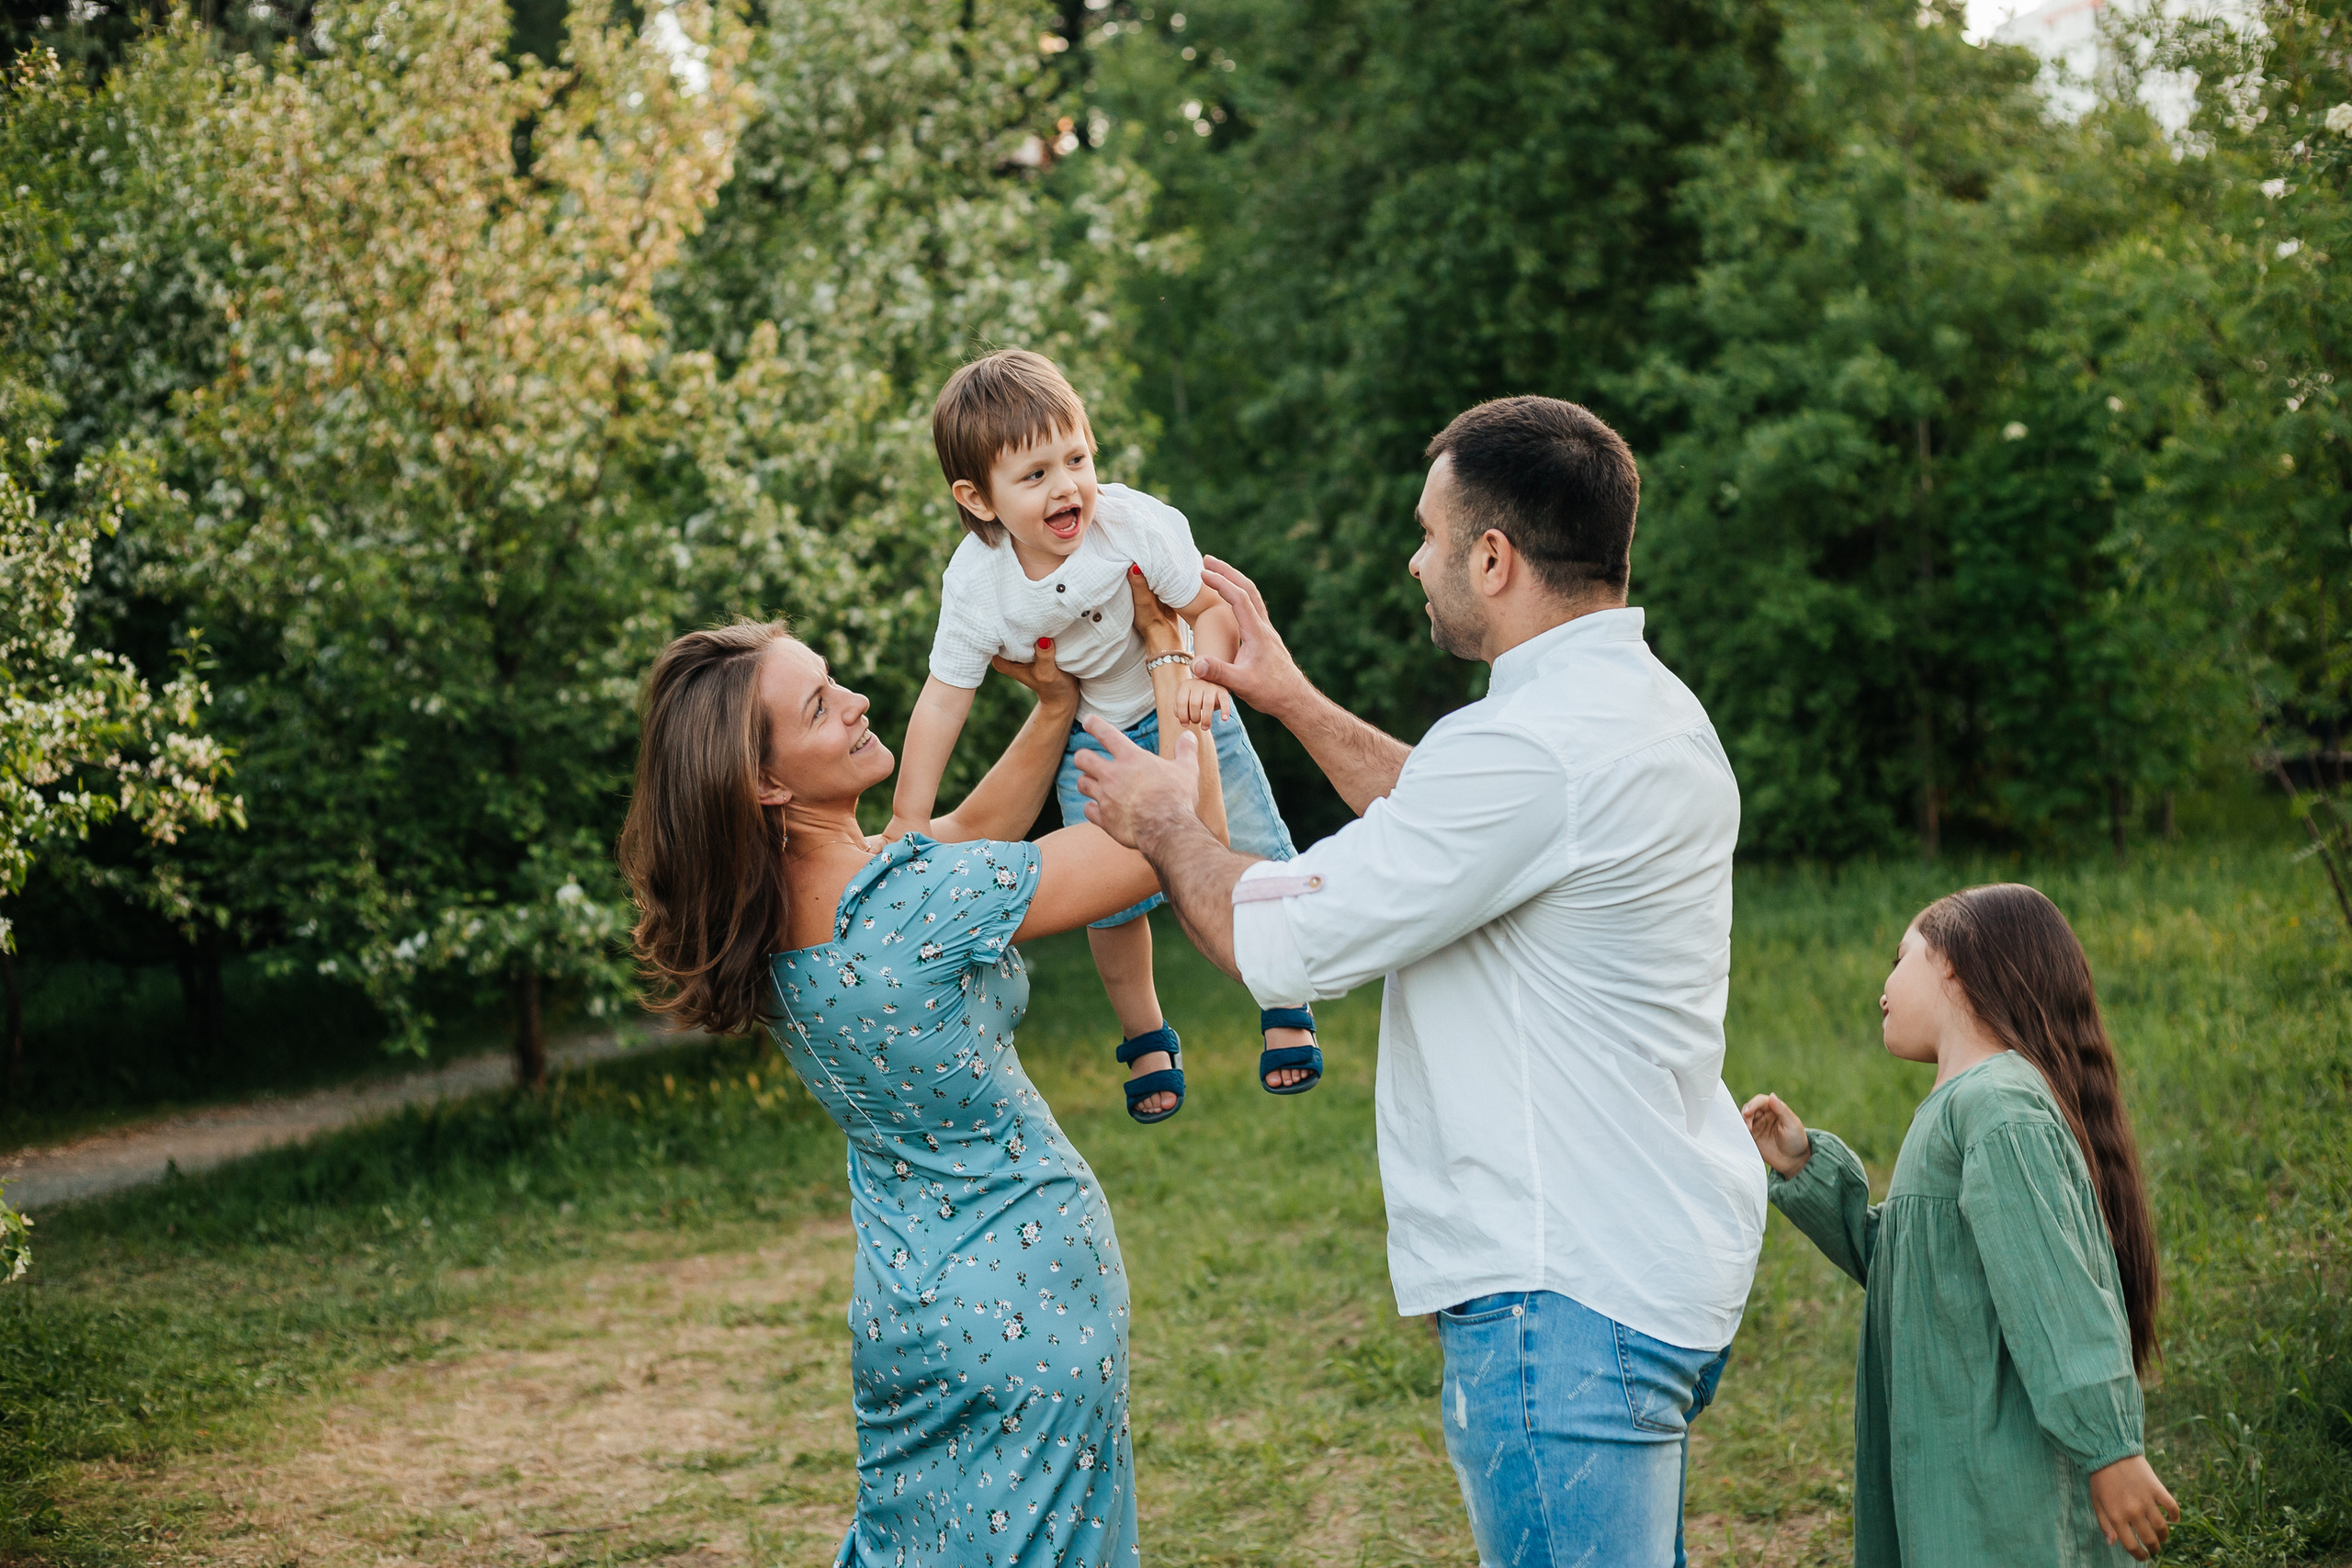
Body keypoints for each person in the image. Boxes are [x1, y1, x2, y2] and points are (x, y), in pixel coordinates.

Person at [1071, 396, 1766, 1567]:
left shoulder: (1527, 752)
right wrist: (1285, 695)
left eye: (1428, 533)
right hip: (1647, 1264)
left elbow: (1282, 944)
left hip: (1564, 1300)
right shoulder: (1636, 710)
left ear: (1492, 558)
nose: (1413, 559)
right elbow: (1446, 819)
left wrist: (1162, 825)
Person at [616, 580, 1211, 1568]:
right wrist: (1168, 662)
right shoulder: (919, 899)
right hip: (1030, 1305)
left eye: (831, 681)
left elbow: (972, 825)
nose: (853, 700)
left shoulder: (776, 921)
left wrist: (1054, 707)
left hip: (908, 1307)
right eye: (818, 706)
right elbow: (1170, 845)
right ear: (766, 784)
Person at [888, 348, 1320, 1123]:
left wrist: (1199, 677)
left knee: (1246, 850)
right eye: (1034, 475)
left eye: (1077, 457)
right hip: (1092, 736)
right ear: (977, 498)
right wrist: (907, 818)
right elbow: (943, 701)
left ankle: (1282, 994)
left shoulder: (1130, 524)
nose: (1067, 486)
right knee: (1109, 909)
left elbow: (1208, 608)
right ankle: (1145, 1030)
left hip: (1182, 699)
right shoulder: (976, 584)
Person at [1741, 884, 2178, 1565]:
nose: (1883, 986)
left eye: (1901, 956)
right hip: (1954, 1466)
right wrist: (1806, 1169)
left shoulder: (1998, 1105)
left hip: (1995, 1487)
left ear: (1952, 963)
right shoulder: (1967, 1105)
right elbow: (1917, 1264)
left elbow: (2053, 1291)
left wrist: (2109, 1445)